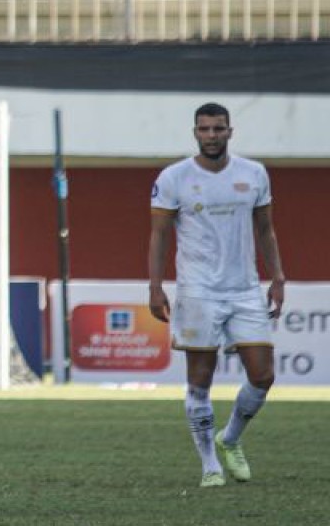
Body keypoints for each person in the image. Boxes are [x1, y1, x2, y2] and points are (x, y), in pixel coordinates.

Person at [148, 102, 287, 488]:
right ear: (195, 132)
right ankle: (210, 464)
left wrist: (277, 277)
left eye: (218, 128)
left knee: (263, 375)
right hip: (197, 291)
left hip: (245, 288)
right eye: (205, 129)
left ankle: (230, 439)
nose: (211, 135)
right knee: (200, 380)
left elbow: (266, 230)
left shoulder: (254, 173)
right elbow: (159, 235)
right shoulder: (173, 177)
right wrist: (155, 286)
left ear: (230, 131)